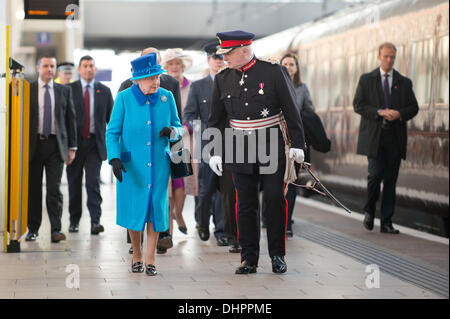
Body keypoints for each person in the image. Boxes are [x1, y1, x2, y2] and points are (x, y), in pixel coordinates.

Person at [208, 31, 305, 274]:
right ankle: (249, 258)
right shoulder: (222, 79)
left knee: (273, 198)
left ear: (244, 49)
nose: (224, 59)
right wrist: (215, 151)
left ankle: (277, 255)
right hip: (238, 144)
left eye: (228, 53)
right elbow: (216, 119)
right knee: (245, 203)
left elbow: (291, 110)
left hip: (270, 141)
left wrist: (298, 145)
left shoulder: (273, 72)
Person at [105, 52, 183, 275]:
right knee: (134, 208)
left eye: (157, 77)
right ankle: (136, 253)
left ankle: (150, 258)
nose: (156, 82)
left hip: (159, 165)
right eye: (151, 79)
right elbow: (112, 132)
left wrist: (173, 131)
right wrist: (115, 158)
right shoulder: (124, 98)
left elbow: (179, 126)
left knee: (156, 209)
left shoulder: (167, 97)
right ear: (137, 80)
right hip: (132, 167)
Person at [353, 42, 418, 234]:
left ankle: (387, 222)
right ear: (379, 56)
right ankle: (369, 211)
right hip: (374, 137)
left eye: (392, 57)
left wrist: (399, 113)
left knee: (390, 180)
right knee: (374, 176)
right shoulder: (367, 79)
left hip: (395, 138)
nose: (389, 60)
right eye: (386, 56)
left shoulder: (404, 82)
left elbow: (413, 107)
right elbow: (358, 105)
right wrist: (379, 112)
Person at [183, 40, 232, 248]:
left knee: (224, 189)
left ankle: (221, 229)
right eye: (215, 58)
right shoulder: (198, 86)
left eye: (222, 57)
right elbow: (189, 115)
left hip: (229, 143)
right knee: (206, 189)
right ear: (209, 60)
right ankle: (202, 221)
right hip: (206, 145)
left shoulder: (232, 81)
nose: (219, 61)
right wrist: (202, 133)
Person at [26, 56, 77, 243]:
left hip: (56, 146)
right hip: (34, 146)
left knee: (54, 189)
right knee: (33, 189)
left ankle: (56, 230)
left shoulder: (64, 91)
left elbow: (70, 120)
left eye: (52, 66)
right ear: (38, 68)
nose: (49, 69)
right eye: (46, 66)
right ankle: (32, 229)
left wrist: (72, 147)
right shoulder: (28, 90)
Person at [66, 56, 114, 234]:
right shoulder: (69, 90)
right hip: (74, 144)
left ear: (95, 69)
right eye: (85, 66)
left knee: (93, 183)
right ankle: (74, 221)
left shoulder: (105, 91)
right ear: (79, 69)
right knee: (74, 184)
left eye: (91, 66)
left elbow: (112, 121)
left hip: (95, 143)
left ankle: (95, 221)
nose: (88, 69)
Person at [162, 48, 195, 244]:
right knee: (166, 187)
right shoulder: (162, 85)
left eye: (178, 64)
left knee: (180, 183)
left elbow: (194, 112)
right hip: (165, 139)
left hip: (183, 139)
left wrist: (186, 126)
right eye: (171, 64)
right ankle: (169, 232)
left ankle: (179, 214)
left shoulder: (191, 87)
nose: (175, 67)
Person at [280, 52, 314, 237]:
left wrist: (297, 119)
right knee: (275, 182)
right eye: (285, 63)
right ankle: (271, 217)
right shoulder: (275, 85)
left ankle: (287, 223)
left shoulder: (302, 88)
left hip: (295, 140)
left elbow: (310, 110)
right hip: (277, 140)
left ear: (296, 67)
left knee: (291, 181)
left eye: (291, 64)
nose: (288, 66)